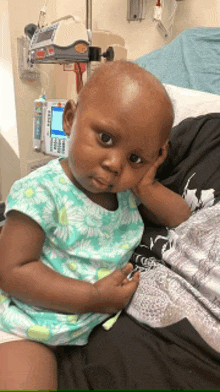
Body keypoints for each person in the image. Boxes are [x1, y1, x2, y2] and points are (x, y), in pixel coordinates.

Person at [0, 60, 190, 390]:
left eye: (135, 158)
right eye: (105, 138)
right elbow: (11, 270)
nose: (115, 164)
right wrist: (91, 296)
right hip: (26, 323)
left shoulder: (128, 193)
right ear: (70, 119)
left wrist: (145, 184)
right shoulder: (41, 191)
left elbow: (181, 219)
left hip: (87, 328)